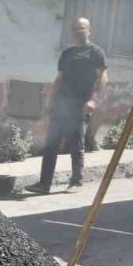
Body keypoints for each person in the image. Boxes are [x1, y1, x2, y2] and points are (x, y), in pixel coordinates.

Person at [25, 17, 108, 194]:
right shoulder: (67, 54)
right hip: (61, 104)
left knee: (76, 144)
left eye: (82, 29)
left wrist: (94, 99)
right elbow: (59, 79)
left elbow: (103, 77)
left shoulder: (96, 52)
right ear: (72, 32)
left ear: (89, 30)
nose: (79, 32)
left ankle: (76, 181)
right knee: (51, 144)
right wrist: (50, 102)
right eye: (75, 29)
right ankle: (44, 184)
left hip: (80, 105)